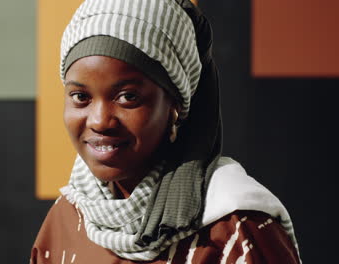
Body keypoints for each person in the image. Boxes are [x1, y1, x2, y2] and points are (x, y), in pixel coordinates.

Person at [31, 0, 301, 263]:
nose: (100, 121)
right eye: (80, 96)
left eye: (128, 97)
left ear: (175, 102)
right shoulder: (68, 217)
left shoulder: (234, 227)